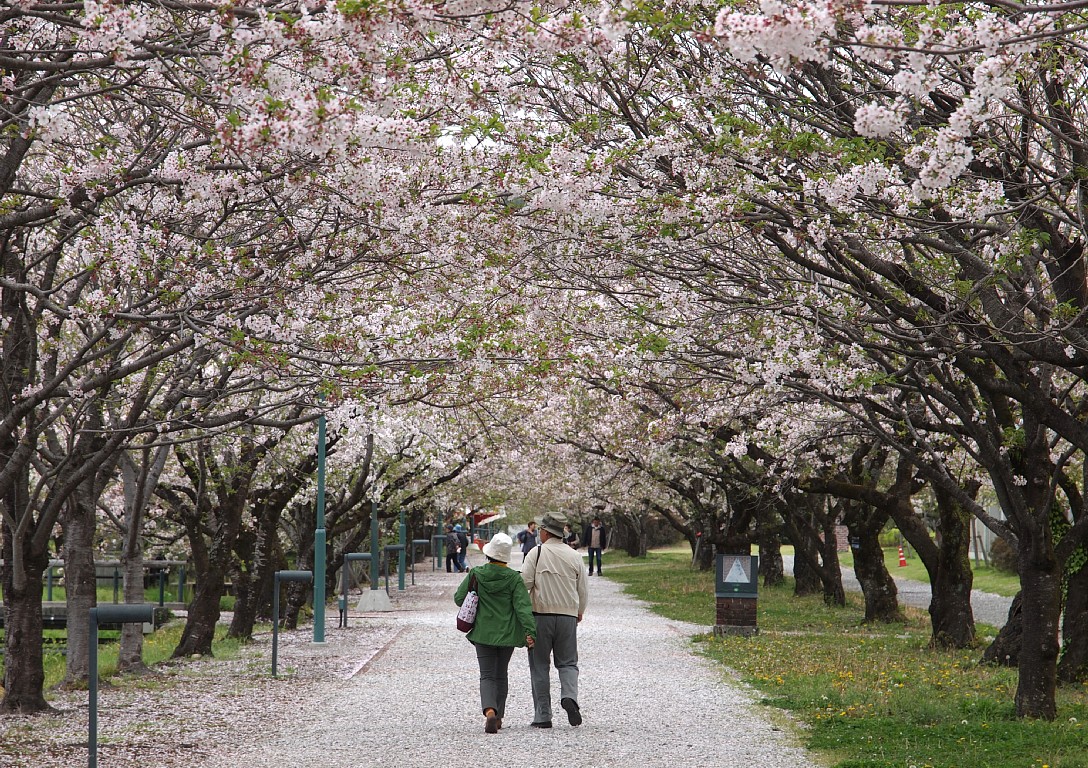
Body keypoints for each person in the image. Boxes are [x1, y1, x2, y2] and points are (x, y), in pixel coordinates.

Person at [454, 533, 537, 734]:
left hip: (482, 633)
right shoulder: (514, 579)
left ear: (489, 554)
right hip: (507, 634)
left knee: (487, 675)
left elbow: (458, 598)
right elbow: (523, 608)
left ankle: (489, 710)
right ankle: (499, 716)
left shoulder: (476, 574)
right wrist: (530, 632)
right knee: (501, 674)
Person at [521, 511, 588, 729]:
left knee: (539, 665)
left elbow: (524, 584)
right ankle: (569, 696)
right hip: (567, 616)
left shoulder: (536, 553)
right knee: (568, 662)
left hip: (540, 615)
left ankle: (543, 715)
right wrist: (579, 610)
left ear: (545, 532)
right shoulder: (575, 556)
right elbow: (582, 589)